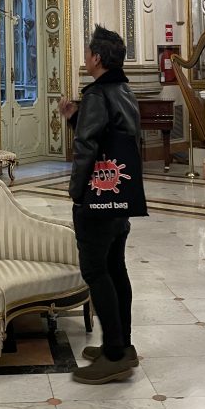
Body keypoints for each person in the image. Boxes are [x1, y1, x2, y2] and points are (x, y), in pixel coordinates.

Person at [59, 25, 145, 385]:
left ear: (96, 58)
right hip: (120, 194)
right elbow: (113, 132)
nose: (85, 57)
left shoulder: (96, 94)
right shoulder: (123, 90)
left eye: (87, 52)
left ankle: (112, 354)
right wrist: (75, 116)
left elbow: (89, 147)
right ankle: (123, 345)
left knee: (96, 271)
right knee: (115, 267)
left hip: (97, 198)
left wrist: (76, 192)